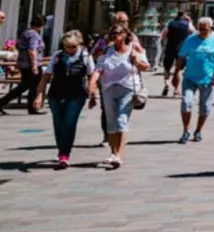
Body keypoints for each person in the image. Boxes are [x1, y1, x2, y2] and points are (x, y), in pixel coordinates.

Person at [34, 30, 96, 169]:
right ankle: (61, 148)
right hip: (56, 94)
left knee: (69, 123)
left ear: (78, 44)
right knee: (58, 123)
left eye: (73, 46)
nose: (70, 50)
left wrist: (92, 92)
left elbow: (92, 75)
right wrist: (39, 95)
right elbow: (46, 76)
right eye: (67, 46)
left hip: (76, 95)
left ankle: (64, 154)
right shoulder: (58, 56)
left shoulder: (86, 57)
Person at [91, 24, 149, 169]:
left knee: (121, 120)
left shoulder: (134, 49)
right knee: (110, 121)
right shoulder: (106, 51)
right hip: (108, 88)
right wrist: (92, 85)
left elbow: (145, 66)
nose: (114, 36)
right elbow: (98, 69)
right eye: (112, 34)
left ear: (124, 35)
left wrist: (136, 60)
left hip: (128, 88)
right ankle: (113, 152)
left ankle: (119, 155)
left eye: (117, 33)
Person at [177, 16, 214, 144]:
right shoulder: (190, 40)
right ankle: (186, 130)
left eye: (205, 29)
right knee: (186, 102)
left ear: (210, 28)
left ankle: (198, 130)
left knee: (204, 107)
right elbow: (182, 56)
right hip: (190, 77)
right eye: (200, 29)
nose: (202, 32)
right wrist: (176, 72)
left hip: (207, 79)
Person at [0, 14, 46, 115]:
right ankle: (2, 102)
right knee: (27, 86)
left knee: (31, 86)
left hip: (24, 64)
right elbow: (32, 50)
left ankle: (32, 108)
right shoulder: (33, 34)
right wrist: (34, 65)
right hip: (30, 64)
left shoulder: (26, 32)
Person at [160, 11, 193, 96]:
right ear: (184, 16)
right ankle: (176, 89)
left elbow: (163, 35)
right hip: (182, 49)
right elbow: (193, 32)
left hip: (170, 47)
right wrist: (190, 22)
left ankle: (166, 84)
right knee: (179, 69)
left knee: (167, 68)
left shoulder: (170, 23)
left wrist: (167, 39)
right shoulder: (187, 24)